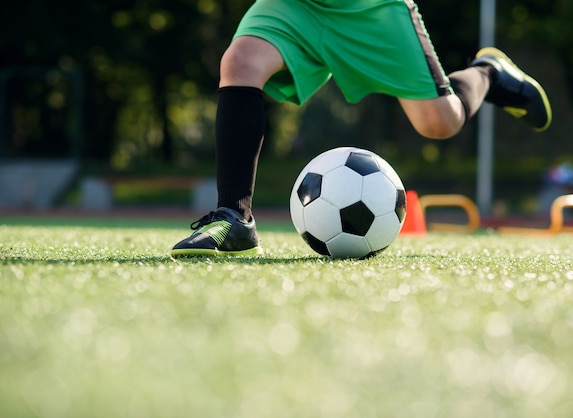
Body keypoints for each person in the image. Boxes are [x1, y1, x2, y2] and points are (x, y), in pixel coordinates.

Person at [170, 0, 552, 258]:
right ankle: (234, 217)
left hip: (369, 7)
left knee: (439, 121)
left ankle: (489, 73)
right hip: (294, 6)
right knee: (240, 61)